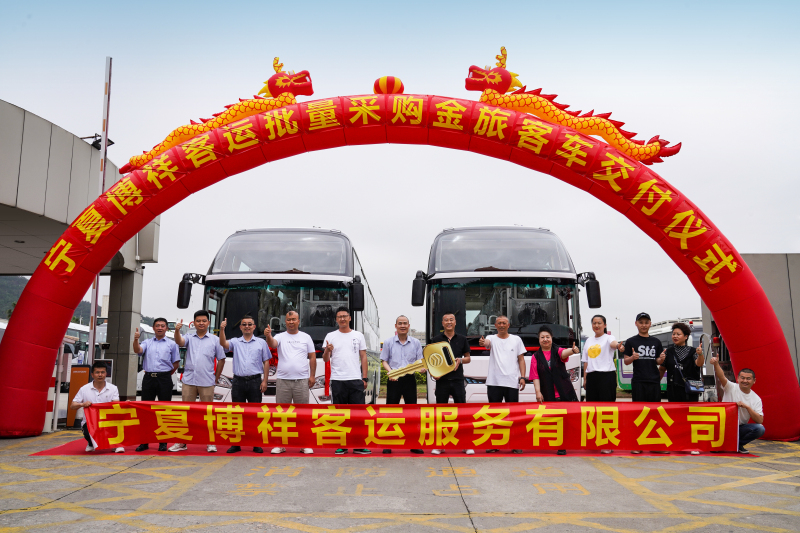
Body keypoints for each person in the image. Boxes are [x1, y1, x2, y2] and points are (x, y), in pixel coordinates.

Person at [171, 310, 226, 453]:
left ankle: (210, 442)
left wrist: (216, 377)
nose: (201, 323)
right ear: (194, 323)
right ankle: (182, 442)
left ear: (208, 323)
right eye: (198, 321)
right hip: (189, 381)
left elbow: (221, 359)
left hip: (207, 382)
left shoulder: (215, 340)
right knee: (186, 413)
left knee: (208, 414)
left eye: (204, 321)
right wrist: (177, 331)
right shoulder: (189, 337)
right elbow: (179, 342)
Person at [265, 310, 316, 455]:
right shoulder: (280, 336)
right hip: (283, 381)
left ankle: (304, 444)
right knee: (281, 413)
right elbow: (273, 344)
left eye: (294, 319)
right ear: (285, 322)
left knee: (303, 414)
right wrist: (268, 335)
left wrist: (312, 376)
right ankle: (280, 444)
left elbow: (312, 357)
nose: (291, 322)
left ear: (298, 321)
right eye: (288, 320)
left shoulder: (306, 337)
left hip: (301, 381)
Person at [322, 307, 371, 455]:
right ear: (336, 319)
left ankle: (358, 445)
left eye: (344, 316)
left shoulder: (358, 335)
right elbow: (325, 359)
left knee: (358, 415)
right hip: (338, 380)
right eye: (339, 317)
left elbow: (363, 357)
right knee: (339, 414)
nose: (342, 319)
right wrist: (327, 350)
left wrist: (364, 377)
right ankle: (341, 445)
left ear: (350, 318)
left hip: (355, 379)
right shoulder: (330, 336)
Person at [219, 315, 269, 454]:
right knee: (236, 414)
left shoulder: (261, 343)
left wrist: (265, 380)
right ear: (240, 327)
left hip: (255, 381)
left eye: (250, 324)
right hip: (238, 382)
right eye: (244, 324)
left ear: (254, 327)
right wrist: (222, 330)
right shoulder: (235, 342)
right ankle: (236, 444)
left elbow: (266, 361)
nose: (247, 326)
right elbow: (223, 344)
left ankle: (256, 443)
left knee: (255, 414)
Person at [619, 312, 666, 454]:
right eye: (641, 322)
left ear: (650, 324)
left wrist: (661, 359)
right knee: (639, 414)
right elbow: (626, 361)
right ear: (636, 324)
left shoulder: (656, 342)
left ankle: (656, 445)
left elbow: (657, 361)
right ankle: (637, 444)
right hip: (639, 381)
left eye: (646, 322)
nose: (644, 325)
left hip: (654, 381)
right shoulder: (631, 341)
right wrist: (633, 357)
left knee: (655, 414)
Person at [479, 315, 526, 453]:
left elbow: (521, 359)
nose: (501, 325)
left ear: (508, 325)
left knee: (513, 415)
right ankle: (494, 443)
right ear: (495, 325)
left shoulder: (516, 339)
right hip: (494, 382)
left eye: (504, 323)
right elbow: (486, 343)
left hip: (512, 382)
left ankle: (515, 443)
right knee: (494, 414)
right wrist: (483, 342)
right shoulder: (492, 338)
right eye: (499, 323)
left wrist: (523, 377)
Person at [531, 325, 580, 455]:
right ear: (539, 339)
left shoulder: (557, 350)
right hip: (548, 392)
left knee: (567, 418)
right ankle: (559, 444)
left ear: (552, 338)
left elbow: (564, 353)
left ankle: (567, 442)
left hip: (564, 391)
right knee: (554, 419)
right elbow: (535, 376)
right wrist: (538, 392)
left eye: (547, 337)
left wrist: (572, 350)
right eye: (542, 337)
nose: (545, 339)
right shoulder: (535, 356)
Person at [133, 317, 180, 452]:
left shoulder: (172, 344)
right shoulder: (147, 342)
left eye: (162, 326)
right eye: (157, 325)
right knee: (145, 411)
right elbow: (138, 350)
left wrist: (165, 374)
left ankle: (163, 442)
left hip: (164, 379)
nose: (160, 328)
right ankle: (144, 442)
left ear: (166, 328)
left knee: (164, 411)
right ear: (153, 328)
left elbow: (176, 363)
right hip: (148, 378)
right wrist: (136, 339)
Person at [430, 313, 474, 455]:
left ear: (455, 322)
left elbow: (468, 358)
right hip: (442, 381)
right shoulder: (436, 340)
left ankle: (466, 444)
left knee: (462, 413)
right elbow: (431, 360)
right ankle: (439, 445)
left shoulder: (462, 339)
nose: (449, 322)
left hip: (458, 380)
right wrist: (433, 374)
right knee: (440, 414)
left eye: (451, 320)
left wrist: (460, 360)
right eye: (446, 320)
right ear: (442, 323)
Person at [380, 315, 424, 455]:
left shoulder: (416, 342)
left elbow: (420, 361)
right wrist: (391, 372)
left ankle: (413, 444)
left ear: (409, 326)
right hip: (394, 379)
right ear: (396, 326)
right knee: (390, 412)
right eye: (400, 323)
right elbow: (384, 361)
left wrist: (422, 368)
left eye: (405, 323)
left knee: (412, 412)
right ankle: (388, 443)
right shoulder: (388, 342)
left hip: (409, 379)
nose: (403, 326)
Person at [581, 315, 623, 454]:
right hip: (592, 377)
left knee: (607, 409)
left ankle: (607, 441)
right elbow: (586, 361)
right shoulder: (588, 341)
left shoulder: (608, 338)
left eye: (599, 323)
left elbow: (613, 344)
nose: (596, 325)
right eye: (594, 323)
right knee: (592, 410)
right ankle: (594, 440)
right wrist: (585, 378)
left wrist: (618, 346)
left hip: (606, 376)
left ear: (604, 325)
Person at [710, 356, 764, 454]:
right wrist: (716, 364)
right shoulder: (731, 387)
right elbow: (721, 377)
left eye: (748, 379)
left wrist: (747, 407)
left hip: (739, 428)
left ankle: (737, 445)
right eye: (742, 378)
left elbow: (760, 420)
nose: (745, 381)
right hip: (723, 426)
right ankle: (725, 444)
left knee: (760, 429)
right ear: (738, 379)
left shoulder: (756, 399)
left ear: (754, 381)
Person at [70, 361, 124, 453]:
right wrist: (82, 404)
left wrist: (126, 404)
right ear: (92, 374)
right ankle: (91, 443)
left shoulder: (113, 388)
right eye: (97, 372)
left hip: (107, 421)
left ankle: (116, 444)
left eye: (102, 372)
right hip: (90, 422)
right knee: (88, 432)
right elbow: (72, 406)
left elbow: (116, 405)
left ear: (106, 374)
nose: (100, 375)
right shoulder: (84, 389)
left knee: (119, 423)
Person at [661, 322, 704, 403]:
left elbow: (699, 364)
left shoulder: (693, 351)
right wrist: (656, 384)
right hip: (673, 391)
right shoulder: (668, 352)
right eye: (673, 334)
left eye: (678, 334)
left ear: (686, 336)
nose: (675, 336)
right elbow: (661, 369)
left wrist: (700, 354)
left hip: (690, 391)